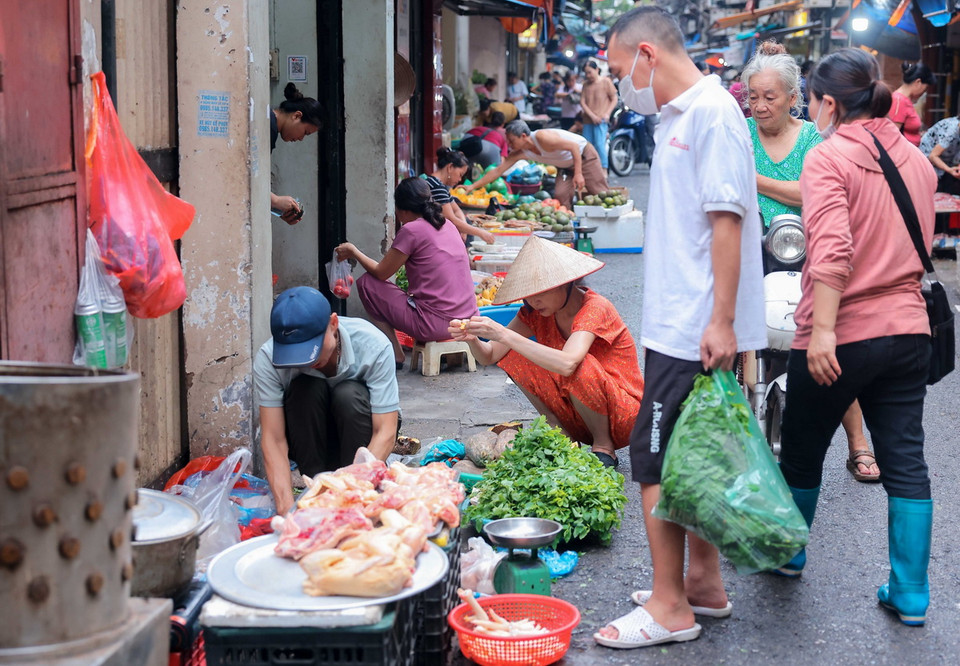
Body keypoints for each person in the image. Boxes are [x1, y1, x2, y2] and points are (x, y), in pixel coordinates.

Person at [596, 7, 766, 649]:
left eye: (621, 71)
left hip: (694, 324)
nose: (621, 86)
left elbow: (728, 220)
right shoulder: (677, 116)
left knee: (653, 455)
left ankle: (670, 606)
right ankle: (702, 581)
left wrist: (721, 321)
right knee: (691, 452)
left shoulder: (711, 114)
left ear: (647, 54)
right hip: (680, 318)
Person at [776, 48, 937, 626]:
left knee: (802, 448)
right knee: (905, 456)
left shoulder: (828, 157)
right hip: (910, 329)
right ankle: (912, 593)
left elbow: (834, 251)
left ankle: (790, 555)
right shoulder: (915, 158)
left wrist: (822, 331)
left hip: (844, 330)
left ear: (826, 102)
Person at [743, 41, 879, 482]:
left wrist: (755, 179)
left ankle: (859, 444)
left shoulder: (812, 139)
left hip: (808, 250)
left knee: (829, 347)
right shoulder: (739, 133)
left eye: (771, 97)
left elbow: (813, 193)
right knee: (731, 339)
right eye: (753, 97)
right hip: (749, 250)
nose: (761, 106)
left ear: (793, 97)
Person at [448, 235, 643, 468]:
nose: (533, 300)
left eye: (540, 292)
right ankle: (560, 434)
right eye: (529, 294)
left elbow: (568, 363)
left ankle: (604, 447)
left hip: (623, 415)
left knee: (580, 365)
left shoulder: (594, 308)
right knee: (513, 354)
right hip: (577, 412)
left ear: (563, 283)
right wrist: (472, 340)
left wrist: (503, 333)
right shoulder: (534, 312)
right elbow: (491, 355)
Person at [255, 287, 400, 516]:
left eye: (310, 348)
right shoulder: (268, 357)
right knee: (305, 389)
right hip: (309, 440)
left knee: (348, 394)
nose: (306, 360)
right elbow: (273, 438)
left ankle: (353, 485)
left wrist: (350, 492)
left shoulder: (374, 345)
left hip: (359, 436)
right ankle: (316, 486)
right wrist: (285, 508)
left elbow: (386, 431)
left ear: (333, 324)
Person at [336, 178, 479, 367]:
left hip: (434, 325)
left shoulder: (411, 230)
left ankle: (395, 353)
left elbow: (381, 273)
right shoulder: (448, 225)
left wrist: (354, 252)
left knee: (367, 284)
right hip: (468, 319)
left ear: (401, 210)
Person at [464, 120, 610, 209]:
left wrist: (578, 173)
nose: (508, 145)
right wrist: (471, 187)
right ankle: (569, 228)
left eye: (511, 141)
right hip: (565, 167)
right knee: (560, 195)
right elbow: (497, 171)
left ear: (523, 136)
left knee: (598, 192)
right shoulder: (519, 152)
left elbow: (573, 147)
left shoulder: (542, 137)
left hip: (584, 156)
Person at [421, 147, 496, 244]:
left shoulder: (439, 185)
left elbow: (456, 210)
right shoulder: (436, 187)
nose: (460, 179)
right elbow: (450, 219)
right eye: (460, 174)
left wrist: (464, 225)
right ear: (450, 167)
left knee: (466, 222)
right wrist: (481, 233)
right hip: (429, 237)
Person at [270, 83, 322, 223]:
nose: (300, 138)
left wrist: (276, 207)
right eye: (305, 132)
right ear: (297, 116)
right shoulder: (269, 127)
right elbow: (246, 176)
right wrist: (274, 200)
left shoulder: (271, 125)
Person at [580, 61, 619, 173]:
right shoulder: (585, 85)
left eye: (590, 72)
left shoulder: (606, 82)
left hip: (601, 120)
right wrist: (592, 116)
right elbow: (582, 102)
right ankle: (590, 171)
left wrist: (607, 113)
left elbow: (614, 99)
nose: (588, 75)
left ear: (597, 69)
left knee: (599, 145)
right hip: (588, 120)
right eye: (586, 73)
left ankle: (604, 170)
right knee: (587, 146)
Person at [889, 62, 934, 147]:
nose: (925, 92)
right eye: (926, 88)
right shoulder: (898, 101)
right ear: (918, 82)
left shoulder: (906, 100)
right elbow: (892, 136)